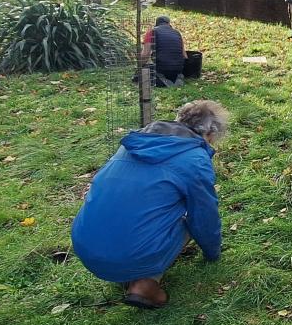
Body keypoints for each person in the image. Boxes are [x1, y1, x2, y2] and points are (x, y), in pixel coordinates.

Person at [72, 99, 227, 308]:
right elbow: (204, 216)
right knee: (187, 218)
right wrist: (213, 254)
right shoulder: (194, 159)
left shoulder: (135, 143)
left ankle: (126, 271)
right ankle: (145, 283)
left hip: (86, 246)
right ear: (209, 134)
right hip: (129, 253)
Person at [140, 15, 186, 87]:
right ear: (168, 23)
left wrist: (140, 67)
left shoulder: (152, 32)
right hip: (178, 69)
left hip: (162, 68)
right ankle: (177, 78)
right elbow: (184, 56)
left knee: (142, 72)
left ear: (156, 24)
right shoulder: (177, 33)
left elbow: (145, 55)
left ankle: (163, 80)